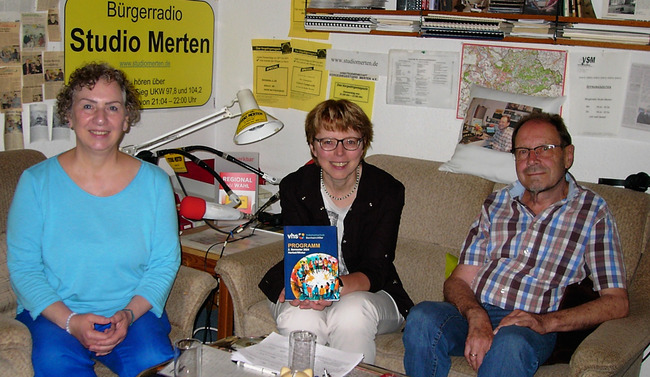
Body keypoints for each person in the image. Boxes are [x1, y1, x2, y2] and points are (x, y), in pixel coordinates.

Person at [402, 112, 628, 377]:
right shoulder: (497, 203)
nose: (533, 160)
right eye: (523, 151)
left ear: (568, 155)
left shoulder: (592, 212)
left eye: (544, 149)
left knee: (511, 343)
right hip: (477, 312)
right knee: (422, 317)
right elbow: (458, 280)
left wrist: (545, 322)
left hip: (530, 325)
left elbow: (616, 302)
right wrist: (476, 315)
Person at [7, 62, 180, 377]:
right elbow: (24, 268)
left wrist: (128, 315)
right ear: (69, 116)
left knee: (156, 361)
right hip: (55, 315)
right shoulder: (36, 182)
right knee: (56, 366)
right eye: (88, 106)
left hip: (132, 314)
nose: (100, 119)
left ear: (126, 118)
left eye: (112, 107)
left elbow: (164, 263)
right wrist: (71, 322)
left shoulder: (155, 182)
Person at [258, 99, 414, 364]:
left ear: (363, 145)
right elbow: (301, 250)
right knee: (300, 319)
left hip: (370, 292)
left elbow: (377, 269)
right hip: (306, 280)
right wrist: (313, 289)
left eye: (350, 141)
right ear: (312, 147)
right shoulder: (295, 186)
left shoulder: (387, 190)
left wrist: (330, 288)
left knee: (351, 314)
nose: (340, 153)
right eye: (328, 142)